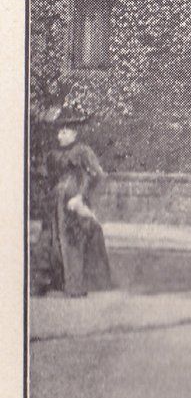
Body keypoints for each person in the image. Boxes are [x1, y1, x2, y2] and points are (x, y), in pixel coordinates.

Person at [47, 109, 113, 297]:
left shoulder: (83, 151)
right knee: (54, 239)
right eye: (59, 131)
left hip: (75, 203)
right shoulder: (54, 153)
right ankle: (58, 281)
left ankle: (76, 286)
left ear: (75, 133)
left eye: (65, 131)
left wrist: (80, 197)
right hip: (56, 203)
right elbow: (51, 178)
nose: (60, 135)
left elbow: (98, 175)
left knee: (74, 241)